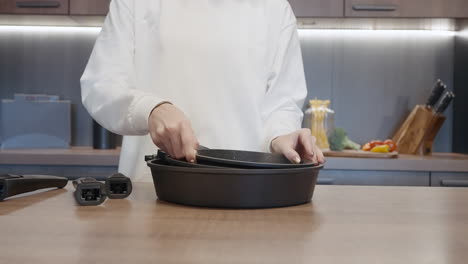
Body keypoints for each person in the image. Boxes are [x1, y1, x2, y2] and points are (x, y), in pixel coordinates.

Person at [81, 0, 325, 182]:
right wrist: (151, 109)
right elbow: (101, 85)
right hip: (152, 190)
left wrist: (280, 136)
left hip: (244, 192)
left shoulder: (274, 9)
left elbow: (282, 103)